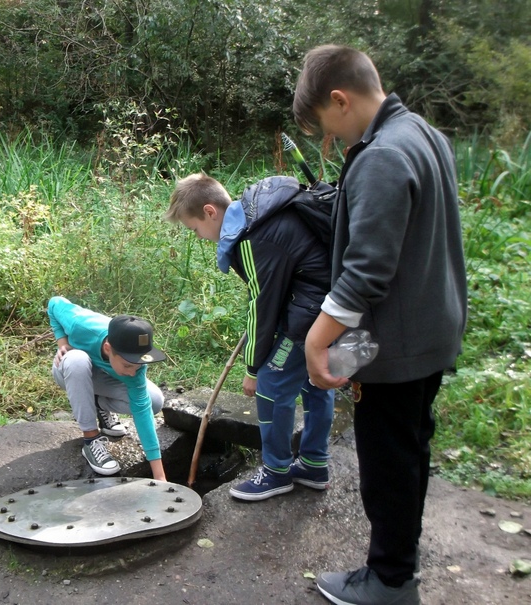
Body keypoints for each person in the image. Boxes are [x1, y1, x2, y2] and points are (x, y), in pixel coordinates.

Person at [293, 45, 468, 605]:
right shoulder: (425, 135)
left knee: (388, 466)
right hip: (432, 329)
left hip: (393, 345)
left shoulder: (383, 156)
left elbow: (367, 268)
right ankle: (399, 570)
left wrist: (318, 339)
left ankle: (390, 582)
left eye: (328, 127)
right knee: (411, 452)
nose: (334, 141)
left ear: (340, 99)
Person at [165, 172, 335, 501]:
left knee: (271, 386)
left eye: (194, 228)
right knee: (313, 382)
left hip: (310, 312)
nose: (198, 237)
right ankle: (314, 463)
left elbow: (262, 305)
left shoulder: (252, 239)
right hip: (326, 303)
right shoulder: (256, 216)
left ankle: (276, 472)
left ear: (210, 212)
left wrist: (253, 368)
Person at [47, 295, 168, 481]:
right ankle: (91, 440)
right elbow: (54, 303)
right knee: (76, 359)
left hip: (103, 378)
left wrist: (159, 476)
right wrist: (62, 343)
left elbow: (142, 409)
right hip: (70, 371)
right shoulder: (81, 325)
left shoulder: (135, 365)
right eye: (128, 365)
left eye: (138, 365)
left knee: (154, 401)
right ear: (108, 348)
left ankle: (98, 405)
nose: (132, 372)